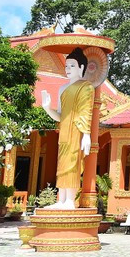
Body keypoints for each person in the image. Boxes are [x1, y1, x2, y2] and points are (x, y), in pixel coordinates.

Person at [41, 47, 94, 209]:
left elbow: (86, 112)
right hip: (64, 130)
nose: (68, 69)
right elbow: (60, 115)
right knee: (62, 164)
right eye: (66, 66)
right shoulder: (62, 89)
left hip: (77, 130)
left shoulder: (86, 87)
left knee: (72, 163)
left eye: (72, 66)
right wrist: (47, 108)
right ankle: (61, 200)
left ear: (82, 68)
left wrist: (86, 135)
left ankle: (70, 200)